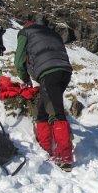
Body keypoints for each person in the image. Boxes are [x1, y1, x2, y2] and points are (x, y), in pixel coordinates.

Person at [15, 17, 74, 171]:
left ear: (27, 24)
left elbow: (19, 59)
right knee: (43, 111)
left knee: (56, 112)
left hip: (49, 72)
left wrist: (25, 78)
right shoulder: (53, 33)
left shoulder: (25, 32)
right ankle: (44, 149)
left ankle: (65, 157)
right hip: (65, 71)